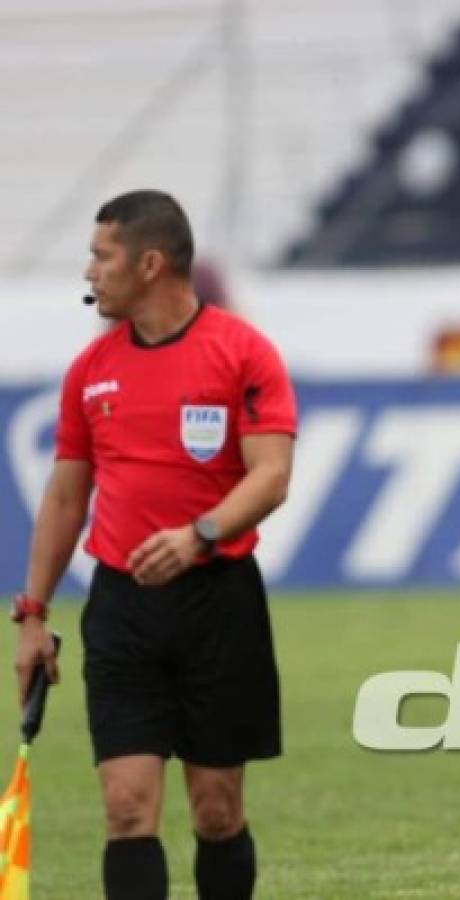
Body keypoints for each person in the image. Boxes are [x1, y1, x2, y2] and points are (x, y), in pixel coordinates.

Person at [12, 190, 296, 900]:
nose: (89, 270)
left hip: (218, 602)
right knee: (126, 808)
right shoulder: (90, 370)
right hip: (122, 610)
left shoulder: (242, 352)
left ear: (150, 263)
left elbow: (272, 476)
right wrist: (34, 615)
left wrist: (198, 535)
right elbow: (66, 497)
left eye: (101, 255)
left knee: (216, 810)